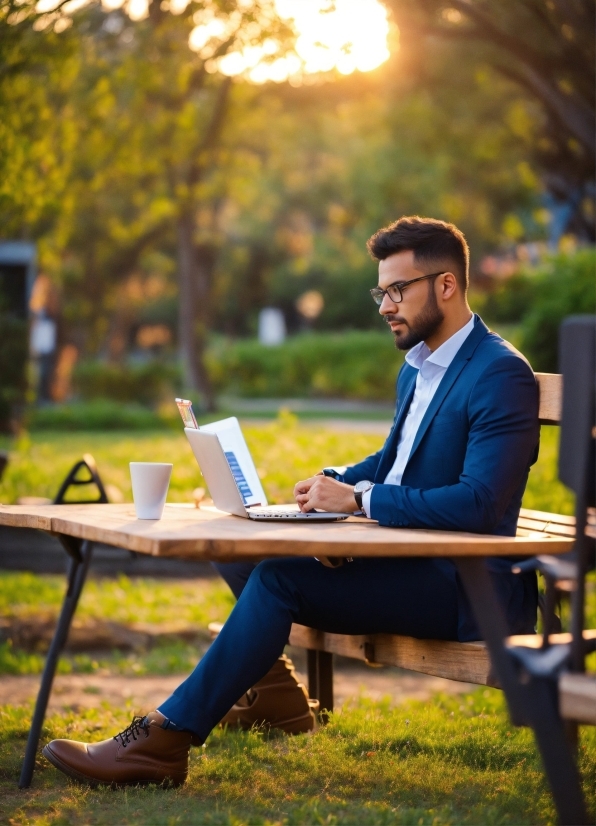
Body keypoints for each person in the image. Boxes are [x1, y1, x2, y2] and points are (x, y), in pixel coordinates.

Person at [42, 216, 540, 788]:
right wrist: (333, 479)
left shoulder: (500, 374)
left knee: (280, 578)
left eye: (398, 290)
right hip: (407, 558)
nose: (384, 306)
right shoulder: (421, 367)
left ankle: (164, 739)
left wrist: (357, 499)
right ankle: (275, 697)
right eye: (381, 291)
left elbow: (478, 505)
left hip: (464, 587)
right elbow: (397, 459)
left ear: (447, 286)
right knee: (239, 546)